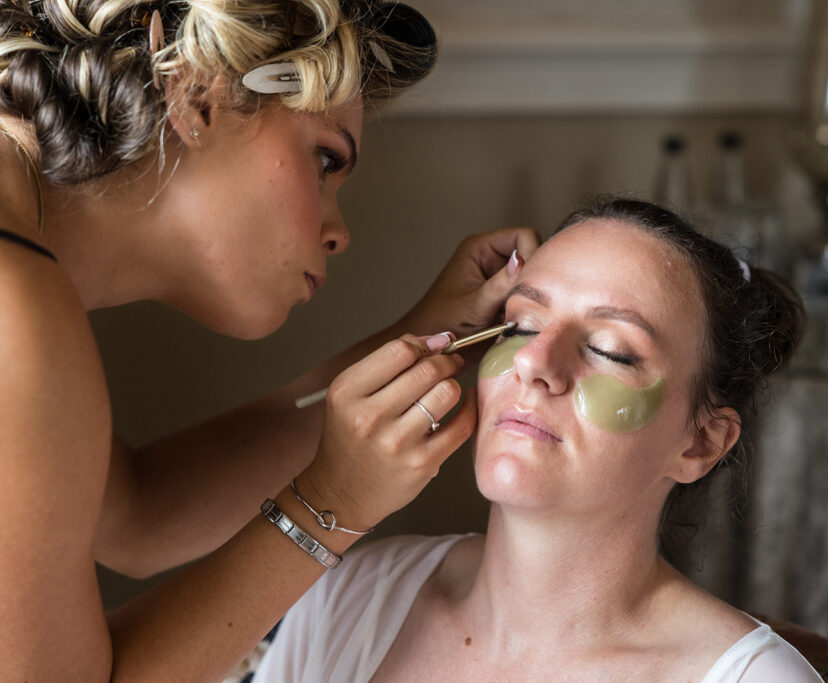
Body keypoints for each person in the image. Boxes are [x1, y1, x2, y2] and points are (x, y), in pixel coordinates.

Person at [0, 1, 540, 681]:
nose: (340, 233)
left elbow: (138, 513)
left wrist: (426, 339)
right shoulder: (14, 308)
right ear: (197, 96)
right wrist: (334, 504)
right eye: (326, 159)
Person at [253, 197, 822, 682]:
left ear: (700, 443)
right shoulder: (352, 595)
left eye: (610, 351)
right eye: (521, 326)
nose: (532, 361)